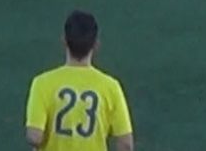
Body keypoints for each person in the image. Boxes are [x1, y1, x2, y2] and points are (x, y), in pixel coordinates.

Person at [25, 11, 135, 151]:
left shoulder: (42, 83)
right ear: (96, 45)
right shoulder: (111, 86)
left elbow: (34, 137)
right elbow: (126, 144)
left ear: (64, 41)